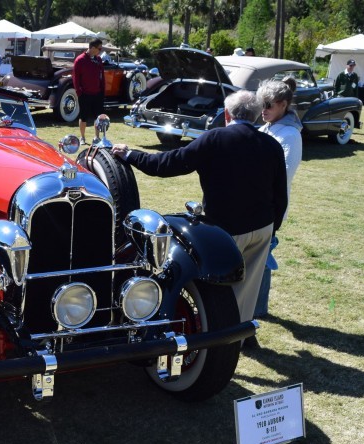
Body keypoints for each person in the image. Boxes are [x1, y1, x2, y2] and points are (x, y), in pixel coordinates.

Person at [111, 90, 287, 338]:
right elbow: (281, 193)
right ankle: (244, 334)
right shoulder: (271, 144)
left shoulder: (215, 138)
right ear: (257, 115)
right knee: (249, 286)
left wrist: (130, 155)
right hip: (262, 225)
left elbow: (168, 164)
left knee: (222, 287)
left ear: (227, 114)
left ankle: (225, 337)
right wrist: (273, 227)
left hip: (227, 226)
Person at [254, 78, 303, 318]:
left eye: (269, 105)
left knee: (262, 256)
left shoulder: (290, 135)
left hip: (270, 205)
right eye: (261, 103)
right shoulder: (268, 126)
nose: (263, 110)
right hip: (256, 202)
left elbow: (284, 175)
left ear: (283, 105)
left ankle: (258, 310)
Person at [72, 38, 105, 144]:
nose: (100, 50)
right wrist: (79, 92)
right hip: (84, 93)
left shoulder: (98, 59)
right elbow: (76, 78)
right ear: (93, 48)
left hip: (97, 93)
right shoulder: (80, 60)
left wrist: (102, 90)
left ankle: (96, 137)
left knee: (98, 117)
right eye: (99, 48)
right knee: (83, 116)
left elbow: (102, 76)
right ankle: (82, 137)